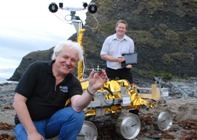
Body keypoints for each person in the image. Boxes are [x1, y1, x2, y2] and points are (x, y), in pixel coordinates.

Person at [13, 40, 108, 140]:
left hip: (52, 123)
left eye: (73, 60)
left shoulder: (73, 82)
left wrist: (91, 89)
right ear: (56, 55)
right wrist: (32, 132)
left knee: (77, 115)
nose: (68, 62)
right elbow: (18, 101)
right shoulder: (37, 69)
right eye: (65, 57)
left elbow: (77, 106)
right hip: (28, 123)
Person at [100, 20, 135, 84]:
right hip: (110, 69)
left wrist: (129, 64)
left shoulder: (130, 41)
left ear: (126, 30)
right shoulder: (108, 40)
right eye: (119, 27)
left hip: (125, 70)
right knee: (108, 90)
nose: (121, 29)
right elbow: (103, 55)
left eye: (123, 28)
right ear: (116, 28)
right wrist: (116, 60)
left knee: (128, 90)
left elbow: (131, 57)